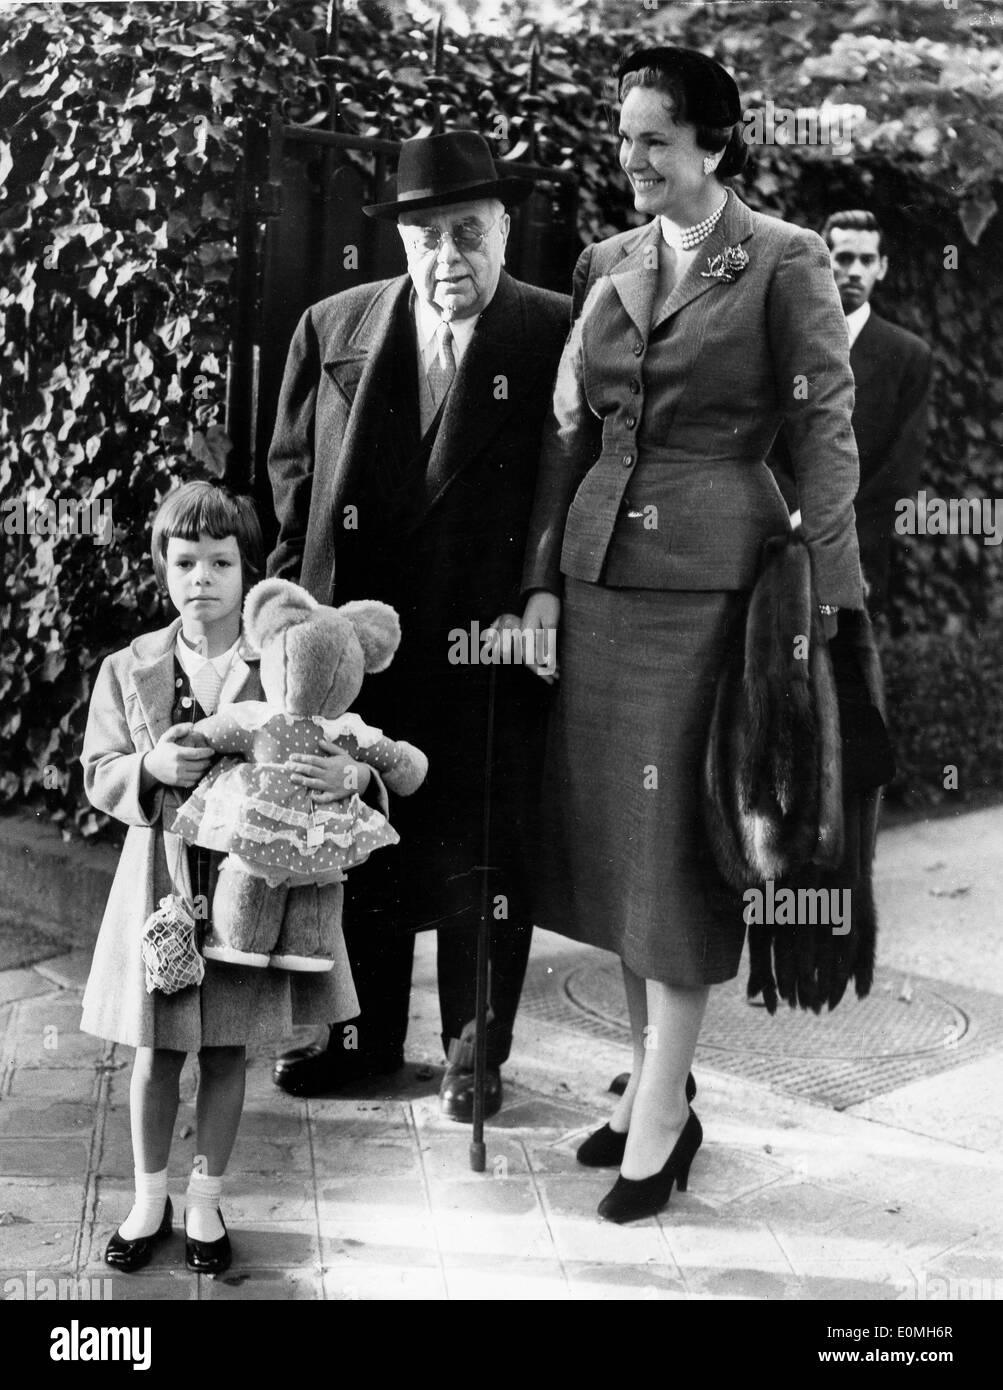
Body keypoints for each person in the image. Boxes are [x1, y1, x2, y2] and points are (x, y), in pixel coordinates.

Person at [519, 46, 864, 1222]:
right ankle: (652, 1088)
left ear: (714, 144)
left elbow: (824, 437)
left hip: (715, 587)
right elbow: (567, 436)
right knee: (620, 856)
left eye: (654, 140)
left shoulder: (783, 261)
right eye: (623, 139)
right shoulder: (604, 261)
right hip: (603, 574)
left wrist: (834, 597)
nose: (632, 161)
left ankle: (660, 1117)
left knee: (673, 856)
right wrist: (541, 586)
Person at [266, 131, 570, 1119]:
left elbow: (574, 484)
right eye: (429, 235)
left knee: (487, 849)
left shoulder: (552, 332)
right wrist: (283, 618)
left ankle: (474, 1055)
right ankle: (360, 1039)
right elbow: (293, 483)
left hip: (487, 646)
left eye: (470, 233)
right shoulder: (332, 328)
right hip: (364, 641)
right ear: (401, 237)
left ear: (504, 229)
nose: (451, 257)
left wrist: (538, 599)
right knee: (361, 840)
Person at [80, 481, 360, 1274]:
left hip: (252, 885)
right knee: (157, 1052)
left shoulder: (281, 662)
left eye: (220, 561)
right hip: (160, 884)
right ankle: (147, 1197)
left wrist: (348, 776)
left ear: (247, 574)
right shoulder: (127, 667)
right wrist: (150, 765)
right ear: (162, 571)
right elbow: (99, 771)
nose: (201, 576)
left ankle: (205, 1201)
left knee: (229, 1051)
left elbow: (341, 737)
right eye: (184, 561)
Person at [769, 210, 933, 616]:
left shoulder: (908, 355)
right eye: (843, 258)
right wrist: (794, 514)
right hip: (778, 533)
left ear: (883, 267)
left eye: (866, 260)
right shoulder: (782, 341)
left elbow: (901, 467)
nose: (854, 271)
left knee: (849, 668)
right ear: (824, 262)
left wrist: (836, 526)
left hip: (860, 546)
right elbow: (759, 440)